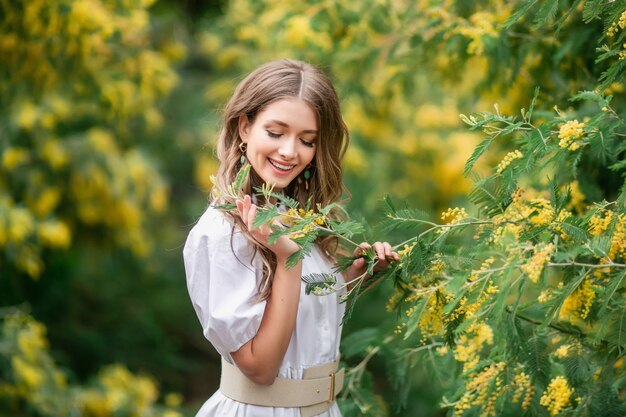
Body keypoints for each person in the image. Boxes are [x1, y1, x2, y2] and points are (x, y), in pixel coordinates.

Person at [183, 59, 399, 417]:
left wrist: (355, 276)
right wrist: (287, 259)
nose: (289, 151)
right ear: (244, 127)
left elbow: (302, 320)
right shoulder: (221, 233)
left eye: (307, 140)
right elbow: (260, 368)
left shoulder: (297, 220)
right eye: (275, 132)